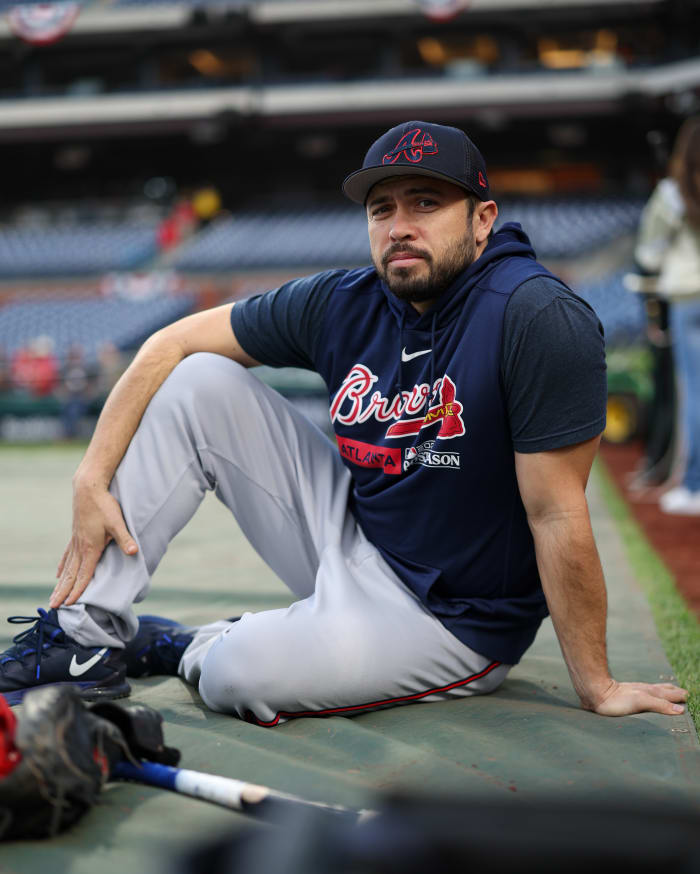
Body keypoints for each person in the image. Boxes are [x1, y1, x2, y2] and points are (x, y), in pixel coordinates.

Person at [0, 121, 687, 723]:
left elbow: (557, 514)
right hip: (352, 533)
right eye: (381, 208)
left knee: (238, 674)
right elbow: (169, 343)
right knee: (195, 378)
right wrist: (91, 477)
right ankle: (83, 640)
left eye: (426, 202)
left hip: (450, 617)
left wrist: (597, 684)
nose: (399, 226)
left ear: (483, 220)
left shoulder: (536, 315)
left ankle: (188, 645)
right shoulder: (344, 300)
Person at [634, 117, 700, 515]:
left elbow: (649, 252)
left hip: (688, 296)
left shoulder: (672, 192)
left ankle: (693, 485)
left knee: (693, 393)